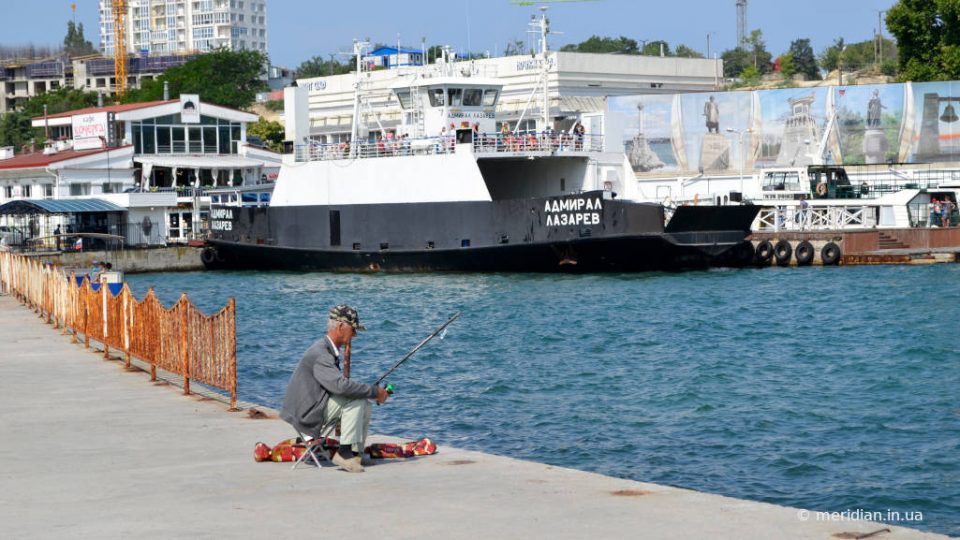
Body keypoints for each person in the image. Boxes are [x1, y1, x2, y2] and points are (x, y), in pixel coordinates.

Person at [280, 304, 389, 473]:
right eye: (353, 329)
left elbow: (337, 386)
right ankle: (344, 454)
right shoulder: (321, 353)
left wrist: (371, 394)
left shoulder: (326, 349)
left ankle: (355, 453)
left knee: (365, 404)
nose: (355, 334)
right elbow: (340, 387)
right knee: (356, 398)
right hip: (306, 415)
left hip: (314, 405)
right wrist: (376, 392)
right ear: (340, 327)